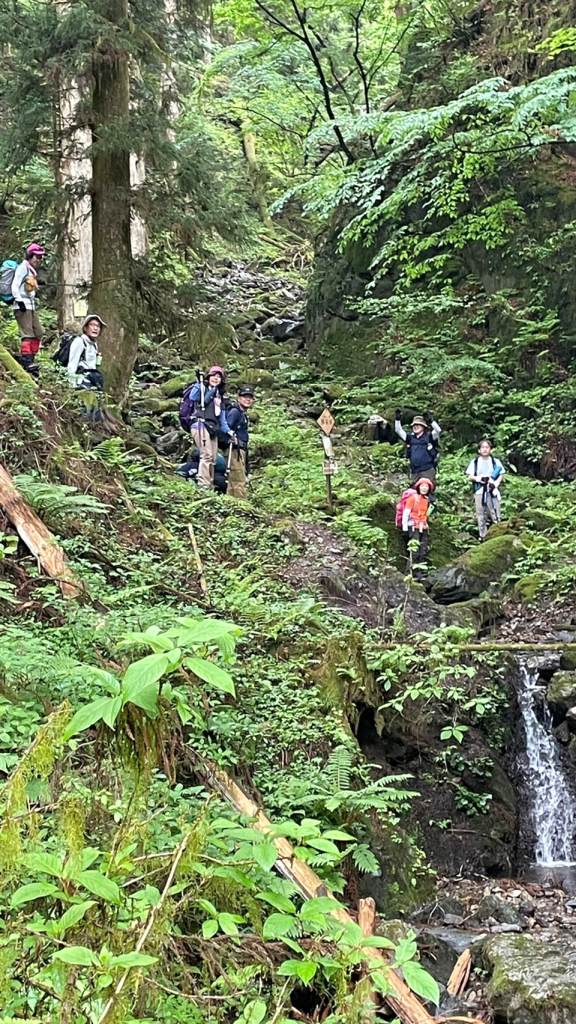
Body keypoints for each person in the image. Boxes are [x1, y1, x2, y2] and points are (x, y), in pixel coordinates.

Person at [179, 366, 234, 490]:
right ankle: (203, 485)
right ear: (209, 377)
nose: (216, 378)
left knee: (213, 458)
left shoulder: (220, 397)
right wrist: (199, 382)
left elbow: (223, 420)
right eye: (214, 375)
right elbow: (193, 398)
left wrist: (229, 432)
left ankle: (209, 484)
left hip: (213, 428)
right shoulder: (202, 389)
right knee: (206, 455)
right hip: (200, 424)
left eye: (219, 377)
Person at [12, 243, 45, 373]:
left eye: (40, 258)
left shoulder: (30, 270)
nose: (38, 260)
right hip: (22, 306)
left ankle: (32, 359)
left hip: (30, 306)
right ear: (30, 256)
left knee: (39, 332)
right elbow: (15, 286)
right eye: (36, 257)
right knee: (27, 334)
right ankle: (27, 361)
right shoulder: (22, 268)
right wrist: (19, 300)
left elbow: (28, 287)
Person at [466, 439, 505, 541]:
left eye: (487, 447)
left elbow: (501, 475)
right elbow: (470, 476)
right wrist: (479, 479)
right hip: (479, 490)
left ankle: (498, 532)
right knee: (480, 513)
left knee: (495, 511)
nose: (484, 449)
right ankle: (482, 535)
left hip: (492, 490)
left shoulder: (495, 462)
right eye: (482, 447)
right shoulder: (474, 462)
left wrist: (495, 483)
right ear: (479, 450)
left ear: (490, 450)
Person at [395, 409, 441, 483]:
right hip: (414, 471)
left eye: (418, 425)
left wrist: (431, 421)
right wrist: (397, 419)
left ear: (423, 426)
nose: (415, 427)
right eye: (414, 425)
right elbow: (398, 431)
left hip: (427, 470)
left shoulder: (429, 437)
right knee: (414, 492)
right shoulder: (410, 438)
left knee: (428, 490)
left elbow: (438, 430)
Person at [226, 386, 255, 499]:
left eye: (250, 398)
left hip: (240, 449)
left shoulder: (243, 414)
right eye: (245, 397)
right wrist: (233, 438)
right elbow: (227, 427)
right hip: (234, 450)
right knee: (238, 479)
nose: (248, 399)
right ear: (239, 398)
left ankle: (231, 503)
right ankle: (241, 505)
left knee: (233, 480)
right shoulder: (235, 412)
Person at [402, 477, 434, 580]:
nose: (424, 488)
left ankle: (419, 573)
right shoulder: (413, 498)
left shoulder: (426, 500)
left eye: (426, 486)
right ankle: (409, 572)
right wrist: (405, 527)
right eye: (422, 486)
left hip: (423, 527)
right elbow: (406, 513)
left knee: (423, 550)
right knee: (414, 550)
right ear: (418, 487)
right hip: (413, 527)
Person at [67, 314, 106, 391]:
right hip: (82, 382)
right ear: (85, 328)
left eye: (98, 326)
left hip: (93, 380)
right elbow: (72, 364)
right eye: (92, 325)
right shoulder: (79, 342)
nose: (95, 328)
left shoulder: (94, 344)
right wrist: (72, 386)